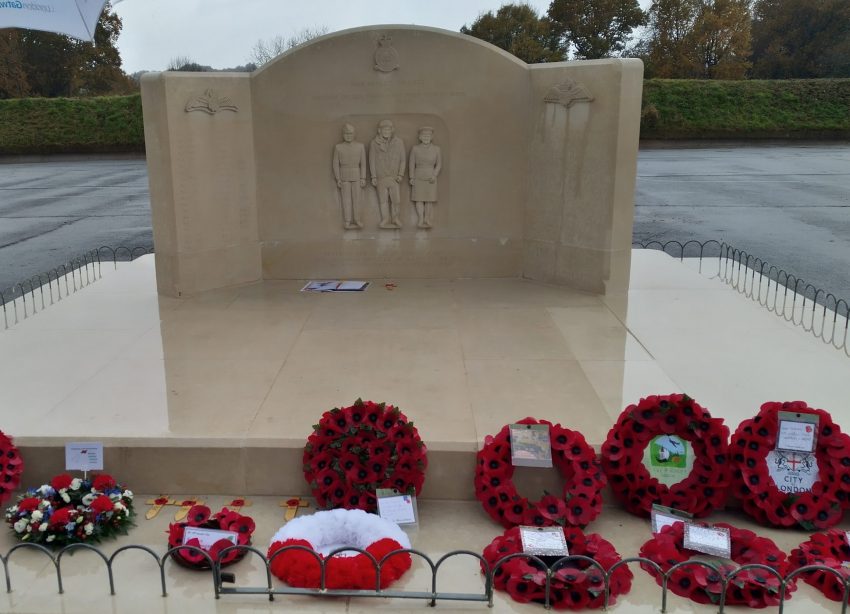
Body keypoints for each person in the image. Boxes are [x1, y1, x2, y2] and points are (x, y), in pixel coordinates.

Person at [369, 119, 405, 229]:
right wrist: (374, 176)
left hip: (394, 177)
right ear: (379, 130)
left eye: (388, 129)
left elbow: (403, 160)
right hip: (381, 177)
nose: (386, 131)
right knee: (383, 200)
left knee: (396, 200)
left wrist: (400, 174)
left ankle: (395, 218)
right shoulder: (374, 143)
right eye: (384, 129)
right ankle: (385, 219)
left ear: (392, 130)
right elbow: (372, 160)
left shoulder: (398, 142)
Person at [332, 124, 366, 229]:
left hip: (356, 175)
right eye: (346, 133)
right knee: (346, 199)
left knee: (357, 199)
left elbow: (363, 164)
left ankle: (357, 219)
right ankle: (347, 220)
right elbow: (335, 164)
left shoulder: (360, 146)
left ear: (354, 134)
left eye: (350, 133)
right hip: (344, 175)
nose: (348, 135)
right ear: (343, 135)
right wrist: (338, 178)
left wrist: (363, 178)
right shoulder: (338, 147)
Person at [408, 127, 441, 229]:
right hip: (418, 176)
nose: (426, 137)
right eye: (424, 135)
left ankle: (427, 219)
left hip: (431, 177)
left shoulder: (436, 149)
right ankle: (421, 219)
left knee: (429, 200)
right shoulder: (415, 148)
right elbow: (411, 164)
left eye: (428, 136)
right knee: (419, 199)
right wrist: (411, 177)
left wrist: (434, 175)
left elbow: (439, 164)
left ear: (431, 137)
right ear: (420, 137)